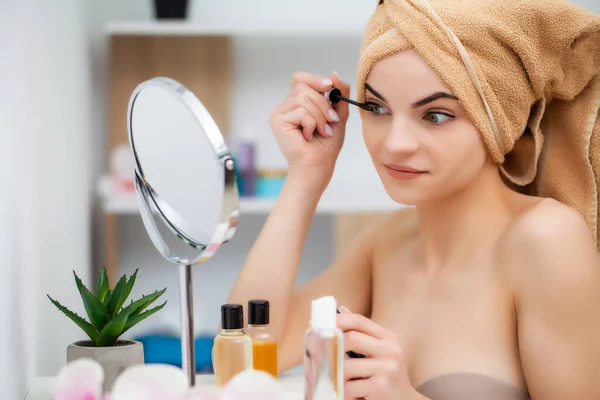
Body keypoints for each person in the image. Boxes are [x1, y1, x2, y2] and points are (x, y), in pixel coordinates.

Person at [225, 0, 600, 399]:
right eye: (376, 107)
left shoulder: (547, 241)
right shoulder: (388, 242)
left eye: (436, 115)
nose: (396, 143)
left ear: (500, 120)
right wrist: (306, 174)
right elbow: (246, 359)